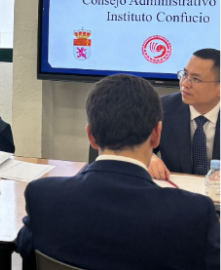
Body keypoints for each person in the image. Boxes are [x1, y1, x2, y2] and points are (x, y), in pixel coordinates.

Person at [16, 74, 220, 270]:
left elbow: (27, 252)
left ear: (91, 136)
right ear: (157, 134)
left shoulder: (44, 196)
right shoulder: (194, 213)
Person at [149, 48, 220, 180]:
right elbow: (136, 147)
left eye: (196, 79)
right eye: (185, 74)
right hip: (176, 188)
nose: (184, 84)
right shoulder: (163, 108)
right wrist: (149, 158)